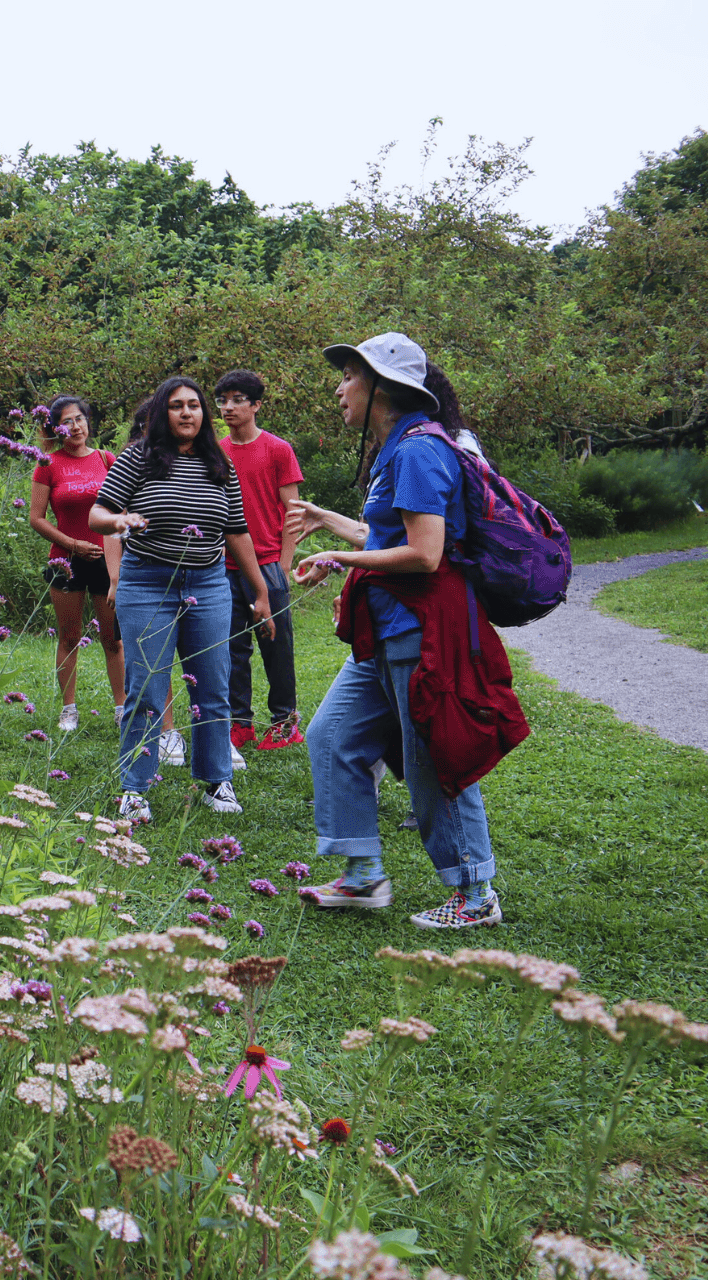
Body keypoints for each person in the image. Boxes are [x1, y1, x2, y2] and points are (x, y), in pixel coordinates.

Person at [290, 332, 518, 929]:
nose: (339, 389)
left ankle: (475, 894)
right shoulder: (398, 448)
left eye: (348, 378)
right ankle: (362, 877)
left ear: (381, 388)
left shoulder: (419, 450)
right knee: (333, 735)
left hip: (422, 628)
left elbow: (425, 554)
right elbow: (384, 538)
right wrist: (330, 527)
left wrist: (343, 563)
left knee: (433, 760)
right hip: (386, 628)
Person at [89, 376, 273, 822]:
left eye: (194, 405)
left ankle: (215, 781)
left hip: (208, 583)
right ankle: (135, 789)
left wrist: (261, 589)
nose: (187, 413)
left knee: (212, 685)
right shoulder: (139, 459)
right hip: (148, 581)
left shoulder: (219, 464)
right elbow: (97, 514)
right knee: (147, 688)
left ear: (203, 415)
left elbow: (236, 530)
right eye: (176, 406)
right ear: (162, 414)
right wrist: (121, 520)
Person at [215, 369, 306, 752]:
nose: (228, 407)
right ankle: (241, 725)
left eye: (237, 400)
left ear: (256, 405)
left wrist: (284, 566)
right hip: (225, 566)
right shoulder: (217, 450)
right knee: (232, 649)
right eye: (223, 400)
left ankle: (285, 722)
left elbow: (294, 511)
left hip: (269, 562)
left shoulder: (278, 449)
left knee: (276, 645)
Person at [28, 395, 123, 735]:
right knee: (69, 636)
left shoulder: (105, 459)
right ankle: (69, 709)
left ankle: (122, 707)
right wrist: (72, 545)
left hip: (106, 558)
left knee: (113, 638)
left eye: (80, 419)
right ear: (55, 428)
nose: (76, 426)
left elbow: (119, 511)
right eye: (67, 421)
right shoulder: (47, 463)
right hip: (65, 559)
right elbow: (36, 519)